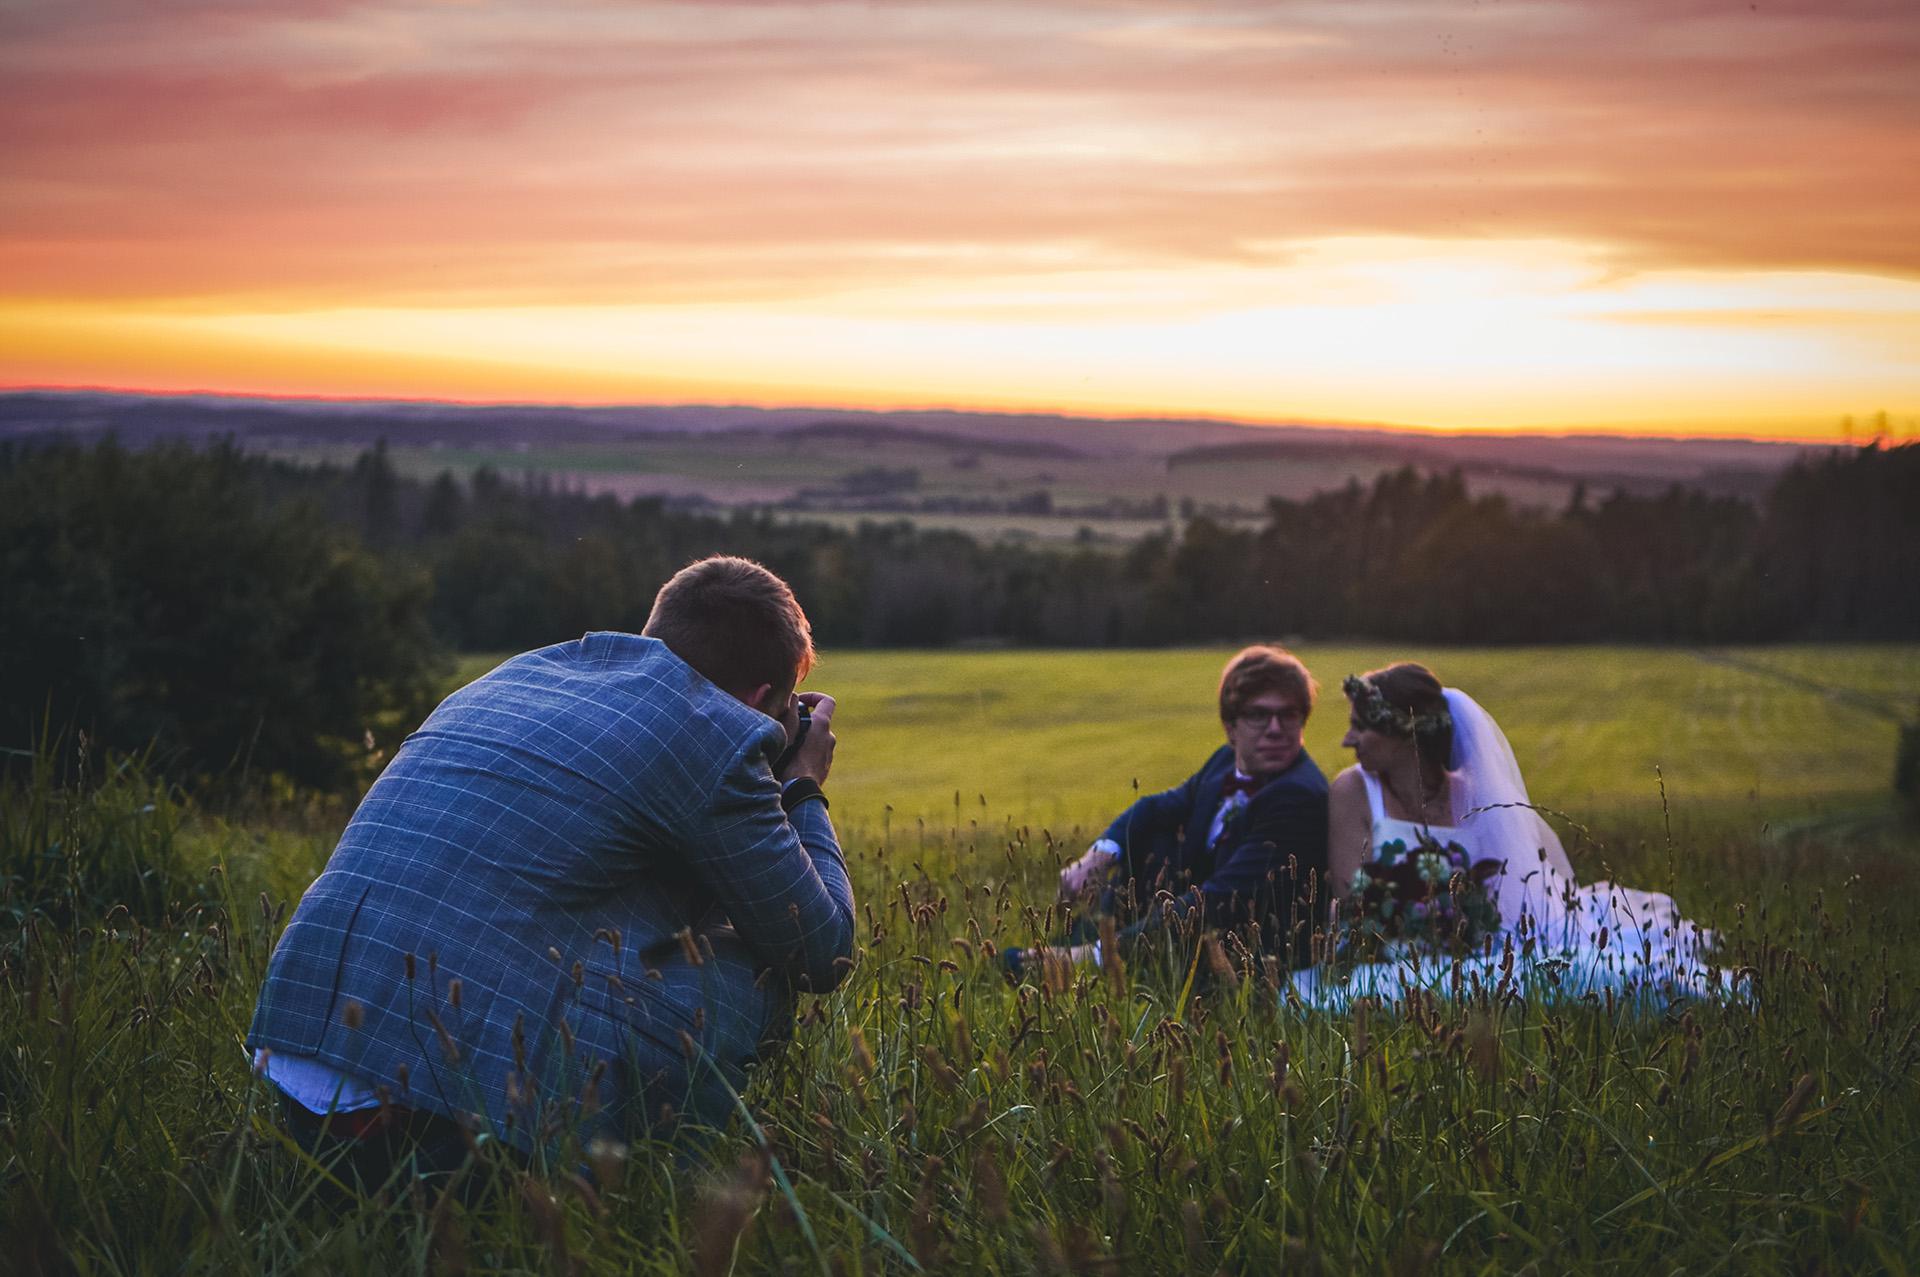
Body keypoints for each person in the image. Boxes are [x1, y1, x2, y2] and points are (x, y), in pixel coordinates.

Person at [246, 556, 854, 1188]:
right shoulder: (715, 730)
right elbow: (821, 949)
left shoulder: (516, 675)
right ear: (757, 700)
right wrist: (801, 786)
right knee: (752, 965)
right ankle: (645, 1184)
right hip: (437, 1127)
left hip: (299, 1083)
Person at [1294, 662, 1726, 1009]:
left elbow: (1514, 889)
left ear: (1403, 731)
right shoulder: (1354, 790)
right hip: (1388, 953)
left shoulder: (1477, 796)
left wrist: (1464, 922)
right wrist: (1419, 919)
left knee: (1573, 975)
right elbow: (1350, 899)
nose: (1348, 739)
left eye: (1361, 726)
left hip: (1478, 948)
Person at [1016, 646, 1330, 975]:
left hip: (1243, 962)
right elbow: (1155, 807)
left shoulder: (1298, 795)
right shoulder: (1224, 761)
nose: (1276, 728)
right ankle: (1073, 942)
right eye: (1258, 715)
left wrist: (1096, 955)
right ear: (1230, 726)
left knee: (1029, 965)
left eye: (1289, 715)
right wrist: (1098, 856)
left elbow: (1218, 902)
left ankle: (1083, 957)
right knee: (1153, 835)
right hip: (1185, 934)